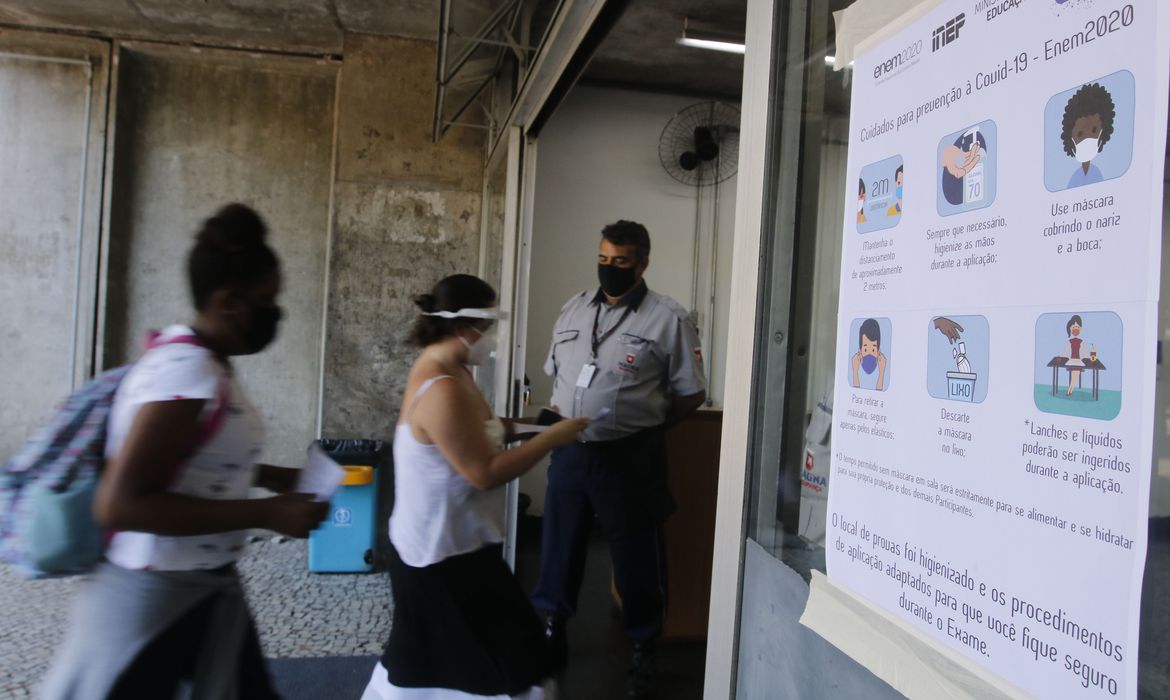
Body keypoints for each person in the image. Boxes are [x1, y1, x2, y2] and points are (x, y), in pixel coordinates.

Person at [42, 204, 329, 700]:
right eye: (267, 301)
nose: (274, 314)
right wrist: (268, 513)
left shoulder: (197, 361)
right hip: (152, 602)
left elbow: (185, 459)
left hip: (200, 592)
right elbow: (121, 503)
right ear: (230, 302)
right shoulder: (186, 371)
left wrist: (268, 475)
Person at [362, 274, 590, 700]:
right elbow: (482, 471)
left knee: (505, 659)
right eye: (488, 328)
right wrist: (551, 440)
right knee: (478, 668)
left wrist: (537, 424)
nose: (491, 338)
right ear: (466, 327)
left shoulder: (456, 370)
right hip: (436, 555)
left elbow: (484, 429)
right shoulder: (440, 385)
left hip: (463, 543)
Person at [531, 220, 706, 700]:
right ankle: (552, 630)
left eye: (621, 262)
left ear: (643, 263)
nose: (609, 269)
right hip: (569, 451)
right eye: (604, 259)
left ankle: (644, 647)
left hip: (630, 457)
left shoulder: (667, 318)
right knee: (559, 546)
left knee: (635, 558)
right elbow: (558, 378)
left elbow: (691, 393)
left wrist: (648, 427)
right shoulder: (573, 308)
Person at [1061, 82, 1115, 189]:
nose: (1087, 138)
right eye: (1080, 134)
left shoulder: (1101, 172)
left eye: (1094, 130)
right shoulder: (1074, 178)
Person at [850, 318, 887, 391]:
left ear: (878, 352)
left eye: (873, 350)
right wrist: (855, 371)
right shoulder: (856, 368)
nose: (869, 354)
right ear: (860, 351)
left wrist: (882, 373)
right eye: (866, 350)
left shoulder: (881, 368)